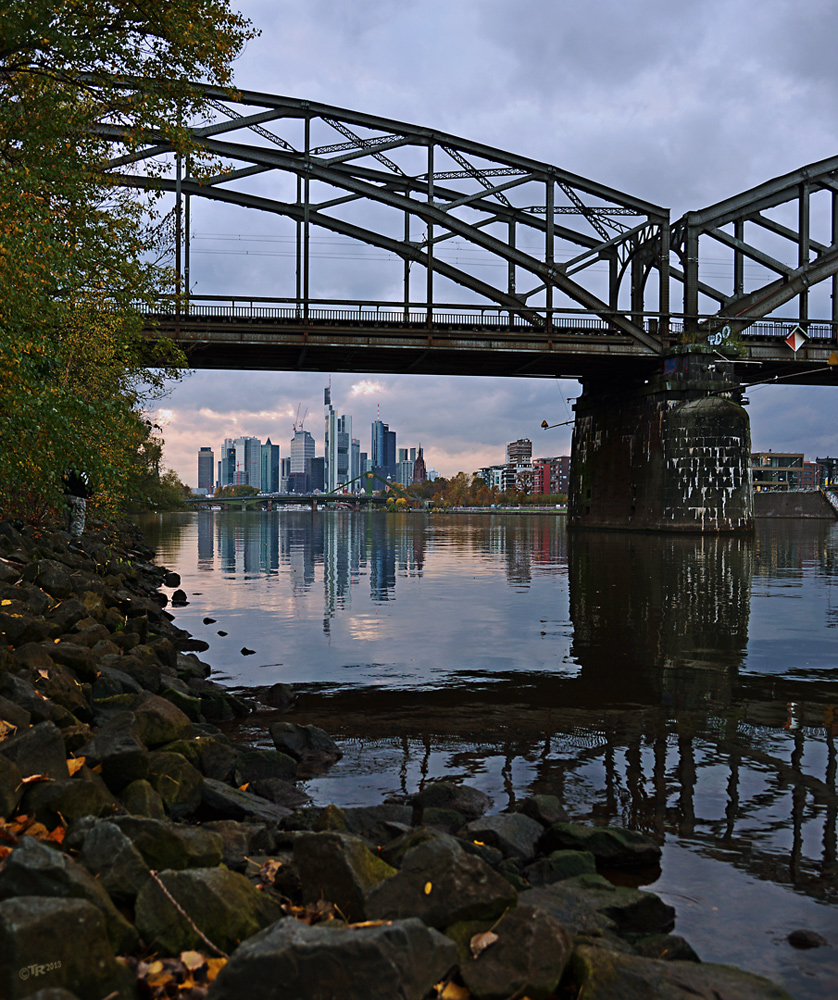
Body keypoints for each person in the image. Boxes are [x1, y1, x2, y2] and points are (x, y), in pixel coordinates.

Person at [63, 469, 90, 538]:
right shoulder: (83, 471)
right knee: (77, 523)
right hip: (78, 498)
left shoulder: (67, 470)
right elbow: (88, 485)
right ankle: (75, 542)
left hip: (66, 496)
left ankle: (66, 540)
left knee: (67, 522)